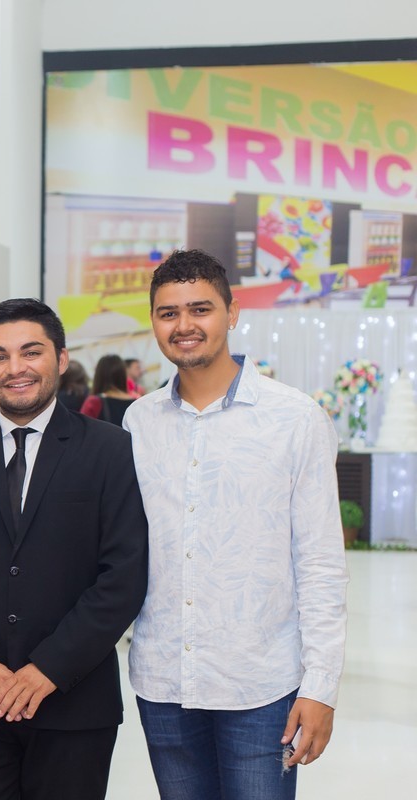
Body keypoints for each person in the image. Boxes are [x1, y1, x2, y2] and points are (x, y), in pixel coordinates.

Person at [123, 249, 347, 800]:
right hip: (164, 680)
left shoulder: (295, 418)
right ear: (153, 322)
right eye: (169, 313)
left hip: (261, 683)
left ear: (233, 313)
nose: (184, 325)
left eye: (200, 309)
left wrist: (321, 686)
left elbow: (320, 561)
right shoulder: (138, 422)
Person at [0, 298, 148, 800]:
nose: (15, 368)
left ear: (61, 358)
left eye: (31, 352)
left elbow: (123, 576)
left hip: (75, 704)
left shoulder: (110, 449)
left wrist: (48, 669)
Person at [80, 354, 138, 426]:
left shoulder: (94, 402)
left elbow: (82, 427)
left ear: (99, 375)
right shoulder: (137, 401)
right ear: (123, 374)